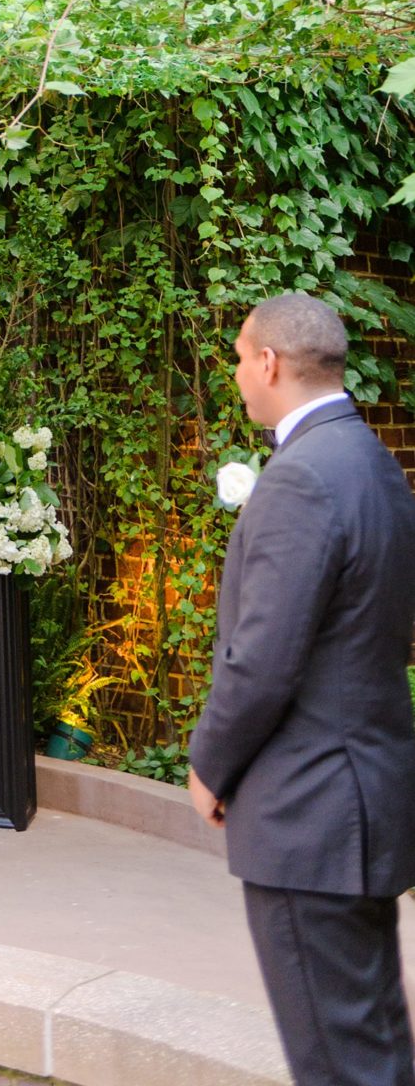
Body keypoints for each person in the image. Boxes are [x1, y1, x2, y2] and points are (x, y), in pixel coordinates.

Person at [188, 292, 415, 1086]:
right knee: (373, 1048)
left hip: (308, 815)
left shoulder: (301, 478)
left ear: (269, 363)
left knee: (337, 1063)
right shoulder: (372, 462)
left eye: (239, 357)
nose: (236, 373)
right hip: (361, 806)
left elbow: (263, 658)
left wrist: (209, 763)